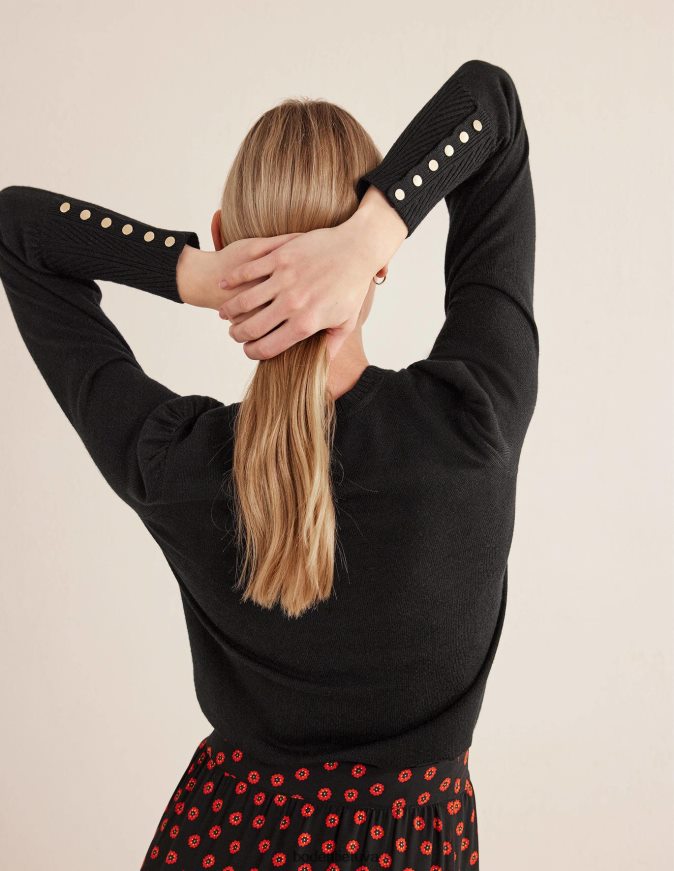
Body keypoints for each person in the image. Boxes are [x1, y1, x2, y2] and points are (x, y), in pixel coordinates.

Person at [0, 57, 537, 870]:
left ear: (223, 234)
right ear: (379, 263)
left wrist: (195, 275)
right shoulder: (471, 426)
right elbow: (491, 106)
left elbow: (17, 229)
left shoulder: (178, 464)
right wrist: (370, 231)